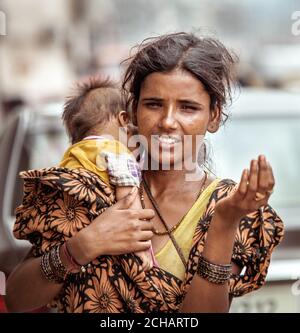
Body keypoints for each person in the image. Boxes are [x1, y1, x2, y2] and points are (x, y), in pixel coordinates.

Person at [5, 32, 284, 313]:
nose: (168, 122)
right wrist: (83, 245)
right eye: (154, 104)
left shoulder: (227, 206)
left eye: (188, 108)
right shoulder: (93, 187)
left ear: (213, 116)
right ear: (133, 111)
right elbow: (17, 299)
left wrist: (224, 223)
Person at [59, 76, 156, 271]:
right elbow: (128, 203)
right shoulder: (117, 152)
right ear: (124, 120)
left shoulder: (72, 155)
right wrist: (142, 249)